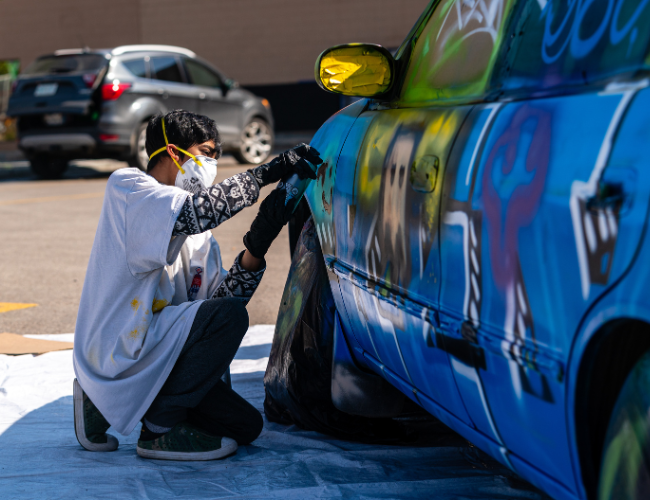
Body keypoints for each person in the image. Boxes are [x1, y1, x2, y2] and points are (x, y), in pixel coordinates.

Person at [72, 109, 321, 461]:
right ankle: (158, 429)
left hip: (162, 354)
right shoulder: (128, 190)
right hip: (119, 350)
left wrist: (260, 239)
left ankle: (116, 404)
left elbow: (221, 304)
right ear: (175, 153)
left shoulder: (199, 240)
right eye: (206, 153)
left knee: (245, 427)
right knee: (231, 318)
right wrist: (266, 173)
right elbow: (198, 212)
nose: (213, 164)